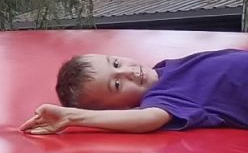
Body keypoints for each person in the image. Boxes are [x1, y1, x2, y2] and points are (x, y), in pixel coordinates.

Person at [24, 49, 248, 134]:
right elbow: (147, 120)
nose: (127, 72)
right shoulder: (162, 98)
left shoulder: (164, 69)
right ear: (122, 109)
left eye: (116, 63)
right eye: (117, 85)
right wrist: (73, 117)